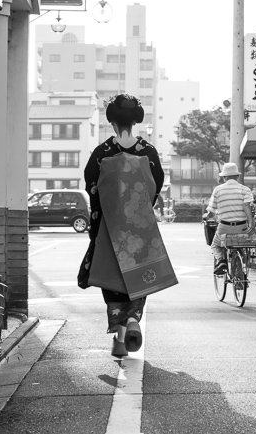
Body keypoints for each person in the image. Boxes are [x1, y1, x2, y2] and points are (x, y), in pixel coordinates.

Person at [83, 94, 164, 357]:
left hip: (108, 226)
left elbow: (91, 186)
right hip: (140, 229)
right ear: (136, 120)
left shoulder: (102, 152)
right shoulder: (148, 152)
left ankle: (119, 335)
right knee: (138, 275)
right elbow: (156, 186)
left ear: (112, 122)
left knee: (111, 276)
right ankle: (132, 321)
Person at [204, 162, 254, 275]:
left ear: (224, 177)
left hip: (224, 227)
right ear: (237, 176)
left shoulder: (218, 190)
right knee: (240, 246)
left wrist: (206, 216)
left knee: (215, 245)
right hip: (242, 227)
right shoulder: (245, 189)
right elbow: (247, 206)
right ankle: (240, 272)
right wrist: (251, 224)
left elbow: (211, 212)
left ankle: (221, 261)